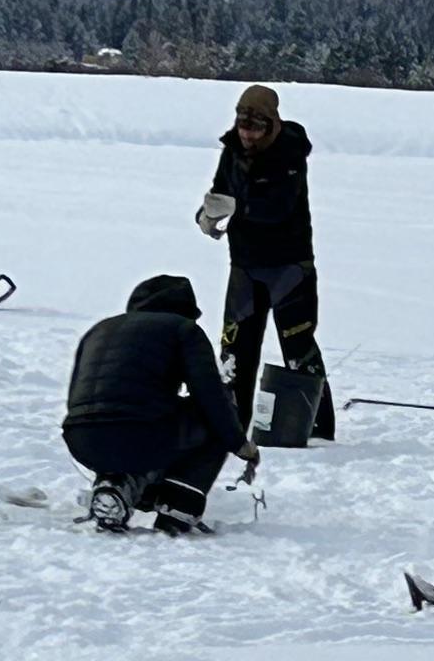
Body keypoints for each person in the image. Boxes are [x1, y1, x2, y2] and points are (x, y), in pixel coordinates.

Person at [60, 273, 247, 532]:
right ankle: (179, 503)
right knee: (216, 409)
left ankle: (116, 486)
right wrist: (238, 442)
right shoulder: (183, 329)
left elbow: (79, 397)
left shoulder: (100, 329)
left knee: (127, 428)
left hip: (81, 438)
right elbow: (210, 396)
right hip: (142, 434)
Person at [200, 84, 331, 442]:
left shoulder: (289, 153)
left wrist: (236, 208)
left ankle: (319, 430)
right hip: (244, 264)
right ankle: (231, 427)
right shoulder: (232, 150)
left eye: (255, 128)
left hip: (289, 265)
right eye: (243, 127)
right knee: (235, 350)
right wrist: (208, 216)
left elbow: (277, 207)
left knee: (298, 347)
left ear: (271, 125)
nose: (247, 135)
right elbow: (221, 191)